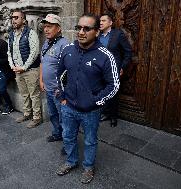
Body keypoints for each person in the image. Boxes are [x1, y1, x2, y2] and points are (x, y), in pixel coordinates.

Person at [55, 13, 119, 184]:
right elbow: (59, 74)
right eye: (78, 28)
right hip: (68, 107)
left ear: (97, 32)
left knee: (90, 140)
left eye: (87, 28)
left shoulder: (105, 55)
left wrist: (95, 102)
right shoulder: (68, 49)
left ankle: (88, 167)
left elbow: (113, 86)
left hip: (91, 111)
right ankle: (71, 161)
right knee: (68, 136)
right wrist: (62, 97)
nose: (81, 32)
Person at [7, 9, 42, 128]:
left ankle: (37, 118)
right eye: (12, 17)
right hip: (18, 71)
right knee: (24, 94)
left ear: (23, 19)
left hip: (30, 70)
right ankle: (27, 113)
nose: (13, 20)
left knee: (34, 94)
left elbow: (34, 52)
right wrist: (12, 65)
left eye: (16, 17)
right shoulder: (11, 34)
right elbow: (9, 52)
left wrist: (24, 67)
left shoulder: (31, 33)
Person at [40, 14, 69, 153]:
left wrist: (63, 90)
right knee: (53, 114)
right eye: (45, 26)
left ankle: (68, 142)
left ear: (58, 28)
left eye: (49, 26)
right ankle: (57, 134)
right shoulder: (46, 43)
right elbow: (42, 63)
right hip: (48, 88)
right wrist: (41, 80)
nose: (46, 29)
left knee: (64, 118)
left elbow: (70, 70)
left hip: (58, 90)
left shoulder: (65, 44)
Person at [99, 13, 132, 126]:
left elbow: (128, 51)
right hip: (100, 70)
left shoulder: (118, 34)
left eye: (103, 20)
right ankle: (105, 113)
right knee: (102, 92)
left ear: (110, 23)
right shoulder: (97, 36)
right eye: (100, 21)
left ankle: (113, 117)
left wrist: (122, 66)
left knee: (113, 94)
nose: (100, 23)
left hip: (114, 69)